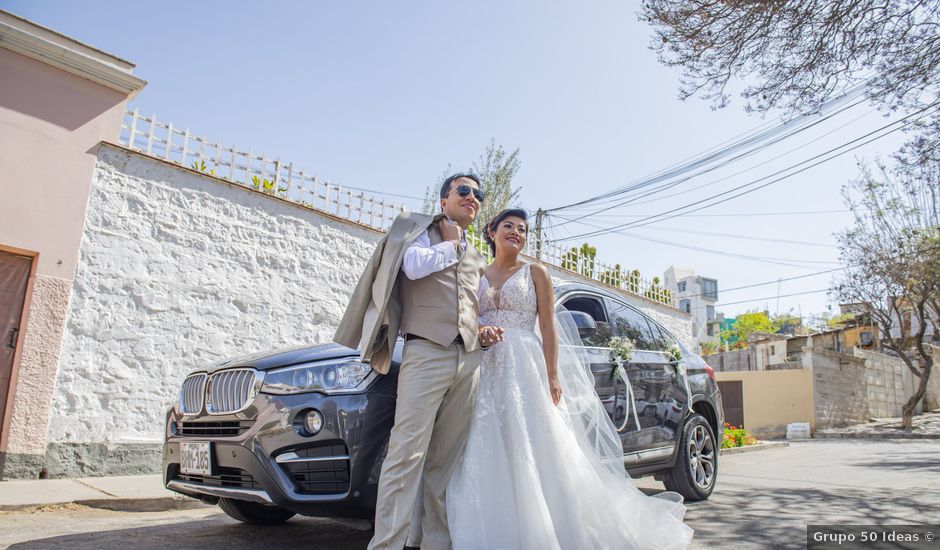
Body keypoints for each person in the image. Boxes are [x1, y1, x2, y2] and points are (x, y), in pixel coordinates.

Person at [445, 208, 694, 550]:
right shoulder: (478, 274)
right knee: (486, 442)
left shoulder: (536, 272)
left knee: (533, 443)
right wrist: (481, 331)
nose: (516, 232)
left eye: (522, 229)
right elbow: (467, 318)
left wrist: (551, 375)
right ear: (492, 231)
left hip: (526, 368)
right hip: (484, 367)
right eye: (508, 226)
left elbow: (547, 325)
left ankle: (547, 528)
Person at [333, 173, 503, 550]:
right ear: (443, 201)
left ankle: (435, 543)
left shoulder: (476, 256)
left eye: (478, 194)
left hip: (469, 360)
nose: (472, 197)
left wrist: (485, 333)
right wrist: (451, 245)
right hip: (426, 352)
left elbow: (471, 308)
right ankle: (387, 545)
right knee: (405, 454)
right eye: (463, 191)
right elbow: (411, 267)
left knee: (444, 462)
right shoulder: (418, 232)